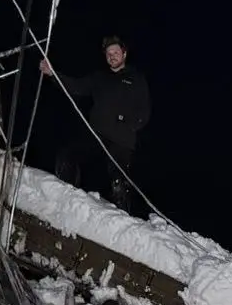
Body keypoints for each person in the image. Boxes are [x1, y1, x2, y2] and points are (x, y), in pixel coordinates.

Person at [41, 35, 151, 212]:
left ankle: (123, 218)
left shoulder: (136, 78)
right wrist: (53, 73)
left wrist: (130, 124)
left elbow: (144, 111)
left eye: (115, 52)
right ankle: (64, 196)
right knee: (67, 156)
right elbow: (75, 86)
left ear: (124, 54)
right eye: (108, 53)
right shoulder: (99, 78)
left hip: (121, 140)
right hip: (96, 135)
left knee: (119, 182)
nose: (112, 56)